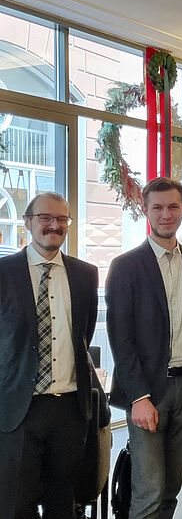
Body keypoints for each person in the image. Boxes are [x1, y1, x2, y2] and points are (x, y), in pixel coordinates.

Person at [106, 177, 182, 519]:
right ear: (146, 211)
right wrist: (138, 397)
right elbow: (121, 338)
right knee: (148, 492)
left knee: (170, 490)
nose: (166, 215)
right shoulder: (125, 267)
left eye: (173, 207)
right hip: (148, 391)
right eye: (158, 208)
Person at [0, 192, 98, 518]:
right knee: (16, 504)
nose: (54, 226)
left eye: (61, 219)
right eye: (45, 218)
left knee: (64, 503)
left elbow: (82, 334)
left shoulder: (86, 275)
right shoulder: (4, 273)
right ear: (28, 222)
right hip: (18, 410)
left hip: (69, 409)